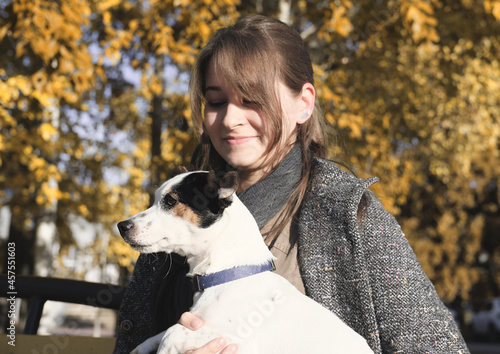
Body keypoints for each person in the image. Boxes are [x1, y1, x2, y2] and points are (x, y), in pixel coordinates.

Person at [113, 14, 469, 354]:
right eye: (216, 101)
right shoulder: (175, 216)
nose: (231, 119)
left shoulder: (349, 216)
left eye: (252, 99)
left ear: (304, 104)